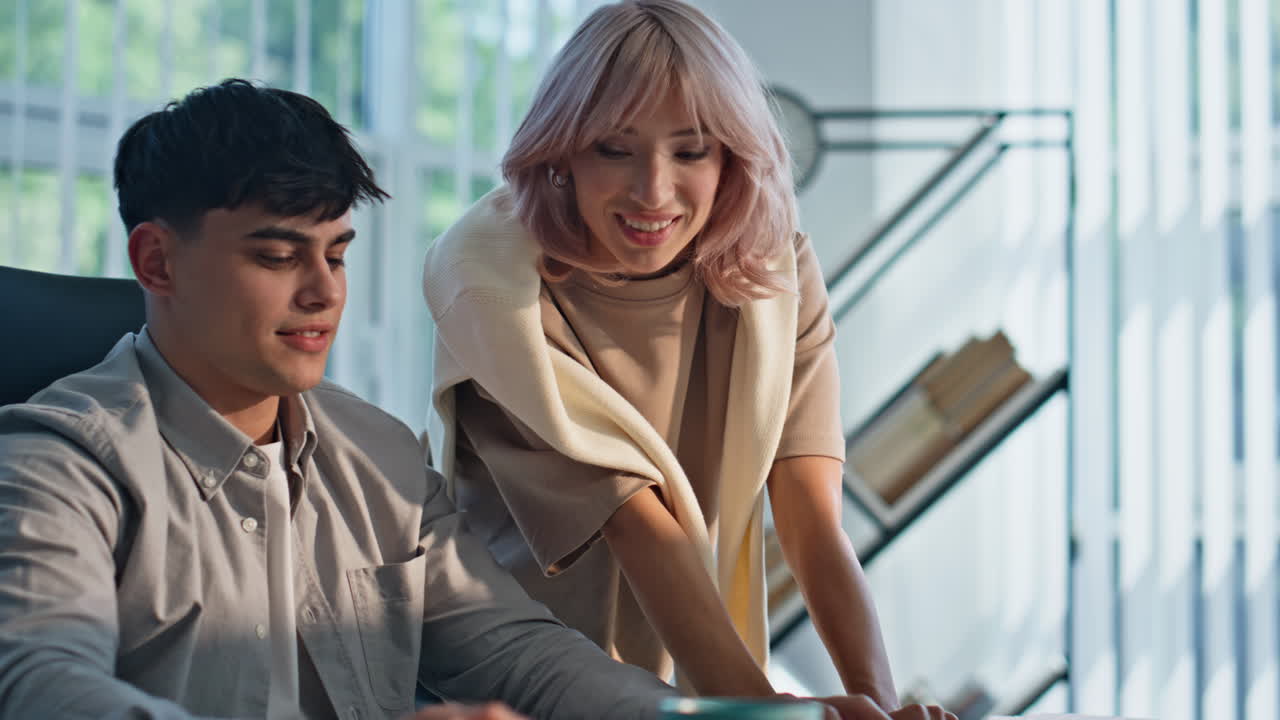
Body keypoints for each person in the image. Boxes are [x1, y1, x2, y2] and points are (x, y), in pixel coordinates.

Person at [0, 78, 687, 720]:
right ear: (156, 261)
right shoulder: (56, 466)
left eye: (335, 254)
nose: (324, 293)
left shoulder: (380, 455)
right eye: (277, 257)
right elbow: (40, 682)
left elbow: (517, 652)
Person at [424, 2, 950, 718]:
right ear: (562, 151)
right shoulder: (489, 284)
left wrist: (880, 705)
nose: (654, 190)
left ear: (732, 155)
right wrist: (769, 713)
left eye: (692, 150)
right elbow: (639, 527)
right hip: (508, 669)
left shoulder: (776, 268)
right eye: (614, 148)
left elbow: (809, 514)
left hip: (671, 680)